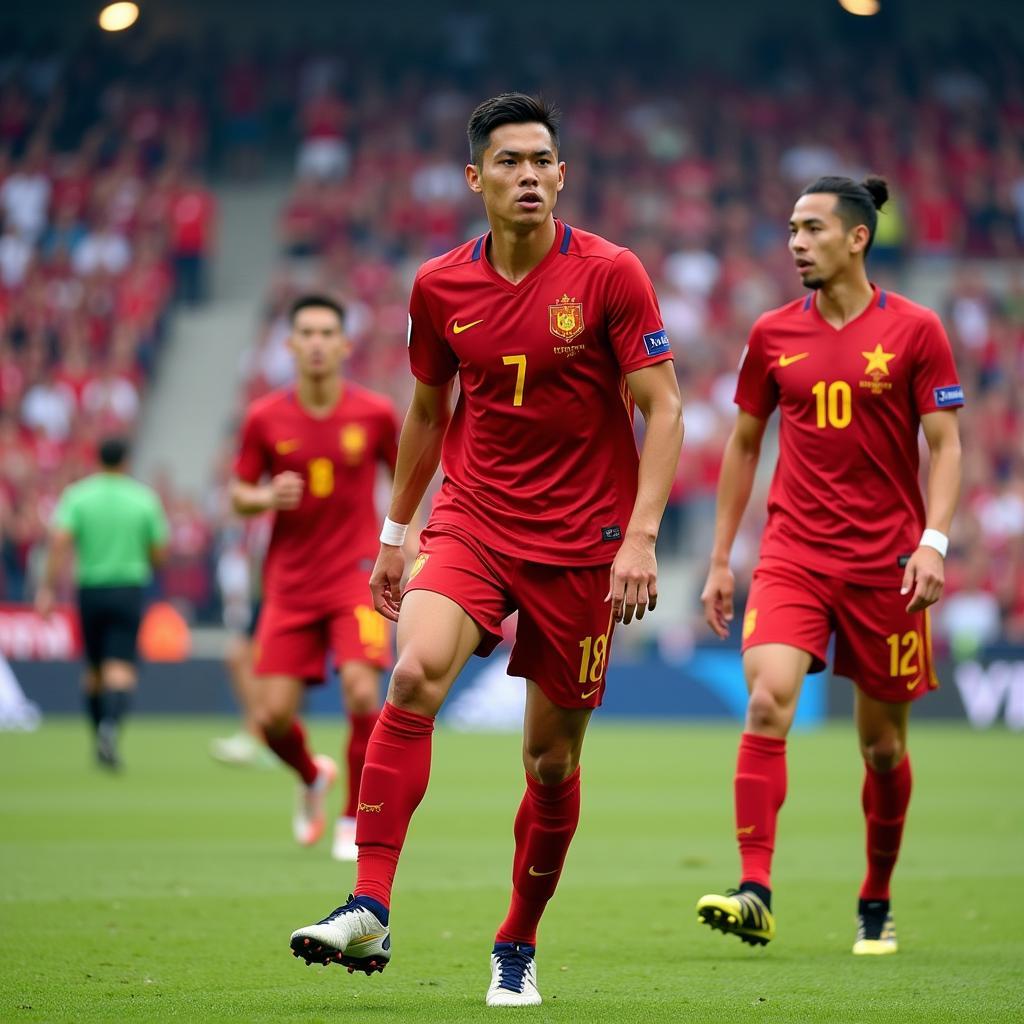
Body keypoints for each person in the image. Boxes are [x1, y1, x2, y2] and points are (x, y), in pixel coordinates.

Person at [288, 93, 683, 1007]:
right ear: (476, 179)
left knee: (549, 765)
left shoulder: (612, 274)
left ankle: (517, 940)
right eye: (509, 162)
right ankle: (369, 905)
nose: (530, 176)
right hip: (475, 519)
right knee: (414, 674)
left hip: (583, 544)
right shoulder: (439, 286)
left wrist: (641, 537)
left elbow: (663, 407)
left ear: (563, 175)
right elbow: (427, 413)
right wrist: (395, 534)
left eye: (543, 161)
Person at [696, 176, 963, 956]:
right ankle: (755, 889)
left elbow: (944, 446)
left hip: (889, 568)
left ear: (857, 238)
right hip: (793, 556)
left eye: (811, 229)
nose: (795, 243)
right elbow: (745, 444)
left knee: (881, 748)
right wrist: (720, 559)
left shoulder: (916, 329)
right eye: (790, 229)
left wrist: (934, 541)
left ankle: (875, 897)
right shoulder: (772, 332)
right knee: (768, 701)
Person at [231, 293, 399, 860]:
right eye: (308, 333)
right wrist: (263, 496)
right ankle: (310, 776)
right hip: (290, 581)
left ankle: (354, 817)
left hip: (355, 574)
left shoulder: (375, 413)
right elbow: (237, 494)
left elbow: (409, 478)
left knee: (360, 691)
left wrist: (409, 546)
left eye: (329, 332)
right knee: (272, 717)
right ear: (291, 345)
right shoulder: (264, 418)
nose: (319, 343)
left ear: (346, 344)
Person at [36, 437, 169, 769]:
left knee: (94, 670)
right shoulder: (143, 499)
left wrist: (48, 588)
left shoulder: (78, 496)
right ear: (126, 461)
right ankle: (110, 729)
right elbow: (160, 551)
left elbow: (60, 542)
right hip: (128, 588)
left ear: (97, 459)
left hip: (90, 590)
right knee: (121, 667)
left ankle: (98, 732)